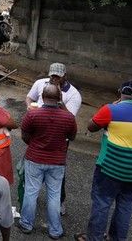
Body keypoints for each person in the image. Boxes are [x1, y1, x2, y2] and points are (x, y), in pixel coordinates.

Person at [74, 81, 132, 241]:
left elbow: (91, 127)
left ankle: (95, 238)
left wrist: (109, 109)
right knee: (126, 206)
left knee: (102, 203)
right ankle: (116, 238)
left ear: (120, 92)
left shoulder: (111, 109)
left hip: (110, 167)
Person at [17, 84, 77, 240]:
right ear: (59, 98)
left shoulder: (32, 115)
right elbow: (72, 137)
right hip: (57, 161)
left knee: (31, 191)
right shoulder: (68, 117)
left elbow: (24, 134)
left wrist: (33, 144)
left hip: (34, 158)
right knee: (54, 195)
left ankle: (26, 224)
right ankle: (55, 230)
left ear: (42, 97)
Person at [25, 62, 82, 214]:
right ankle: (32, 194)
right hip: (39, 133)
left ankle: (60, 202)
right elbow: (29, 98)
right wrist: (30, 107)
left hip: (59, 138)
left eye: (58, 76)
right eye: (52, 75)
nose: (54, 79)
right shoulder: (40, 83)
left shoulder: (74, 95)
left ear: (65, 76)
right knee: (34, 171)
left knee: (57, 175)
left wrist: (59, 99)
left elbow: (70, 119)